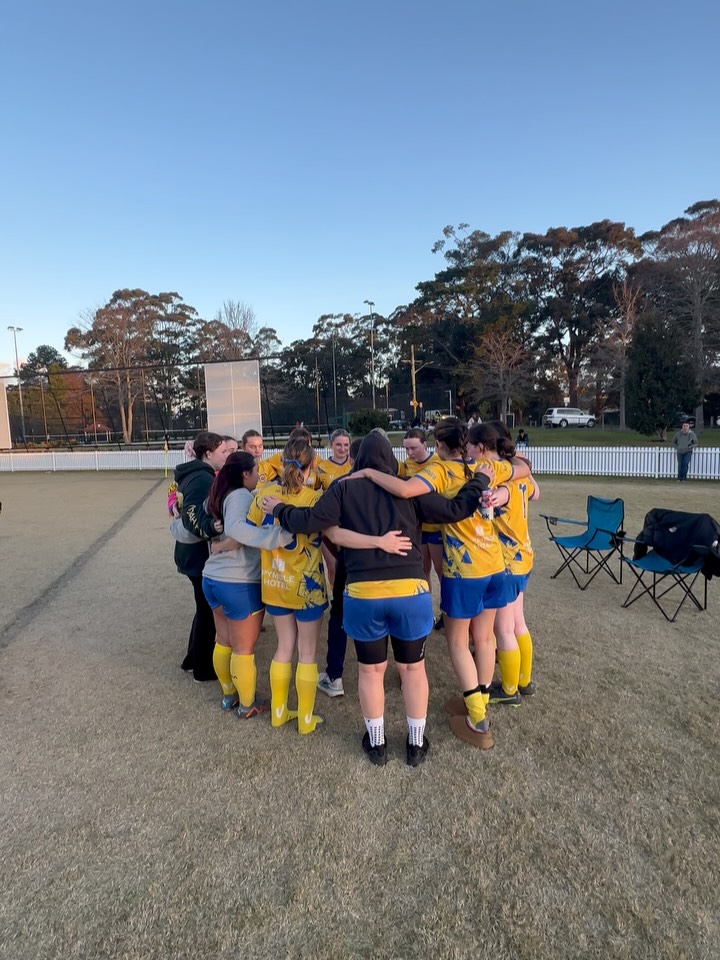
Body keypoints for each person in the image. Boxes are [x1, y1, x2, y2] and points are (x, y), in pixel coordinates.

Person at [262, 432, 491, 766]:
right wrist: (481, 479)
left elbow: (308, 522)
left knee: (371, 671)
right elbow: (455, 509)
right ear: (391, 458)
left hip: (362, 594)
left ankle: (377, 741)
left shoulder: (343, 488)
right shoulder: (409, 488)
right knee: (414, 669)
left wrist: (279, 508)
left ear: (357, 460)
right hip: (409, 592)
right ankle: (415, 743)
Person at [354, 418, 530, 751]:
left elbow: (405, 490)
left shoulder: (440, 471)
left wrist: (368, 472)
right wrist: (505, 488)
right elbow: (522, 467)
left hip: (465, 572)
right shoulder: (483, 465)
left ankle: (478, 721)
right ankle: (478, 699)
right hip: (495, 564)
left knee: (458, 642)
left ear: (441, 445)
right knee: (484, 637)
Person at [201, 452, 294, 716]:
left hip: (214, 578)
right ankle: (246, 704)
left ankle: (228, 694)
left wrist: (217, 546)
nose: (258, 475)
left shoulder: (218, 494)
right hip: (238, 581)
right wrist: (274, 536)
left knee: (224, 640)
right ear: (245, 474)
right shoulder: (241, 495)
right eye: (256, 471)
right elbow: (236, 529)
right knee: (243, 648)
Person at [247, 438, 328, 734]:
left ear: (281, 462)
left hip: (274, 583)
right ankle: (305, 719)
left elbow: (250, 528)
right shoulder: (314, 499)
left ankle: (279, 712)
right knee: (307, 653)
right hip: (308, 588)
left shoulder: (264, 494)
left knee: (284, 647)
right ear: (311, 467)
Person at [467, 424, 539, 706]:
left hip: (507, 562)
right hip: (525, 555)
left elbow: (497, 498)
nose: (468, 451)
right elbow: (535, 494)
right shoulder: (517, 468)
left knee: (504, 629)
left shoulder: (497, 474)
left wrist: (492, 499)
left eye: (471, 446)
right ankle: (524, 680)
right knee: (519, 622)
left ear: (482, 448)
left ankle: (510, 690)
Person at [173, 432, 230, 681]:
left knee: (203, 608)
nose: (226, 456)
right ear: (208, 454)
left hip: (190, 554)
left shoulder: (197, 474)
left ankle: (192, 659)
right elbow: (193, 515)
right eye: (223, 452)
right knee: (207, 610)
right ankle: (203, 669)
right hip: (196, 554)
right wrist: (211, 527)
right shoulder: (200, 478)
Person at [400, 429, 443, 627]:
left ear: (425, 445)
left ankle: (447, 614)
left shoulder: (438, 464)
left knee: (442, 572)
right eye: (406, 448)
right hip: (417, 529)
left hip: (436, 527)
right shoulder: (405, 466)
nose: (410, 452)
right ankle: (428, 613)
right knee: (422, 571)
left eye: (414, 448)